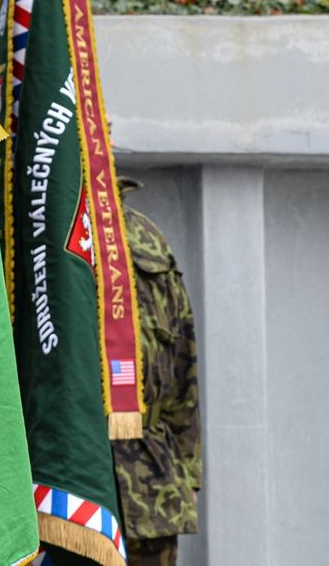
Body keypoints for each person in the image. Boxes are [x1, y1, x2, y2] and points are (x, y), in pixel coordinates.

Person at [111, 178, 201, 566]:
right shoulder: (27, 229)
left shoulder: (146, 237)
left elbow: (183, 356)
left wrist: (188, 467)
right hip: (63, 473)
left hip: (150, 480)